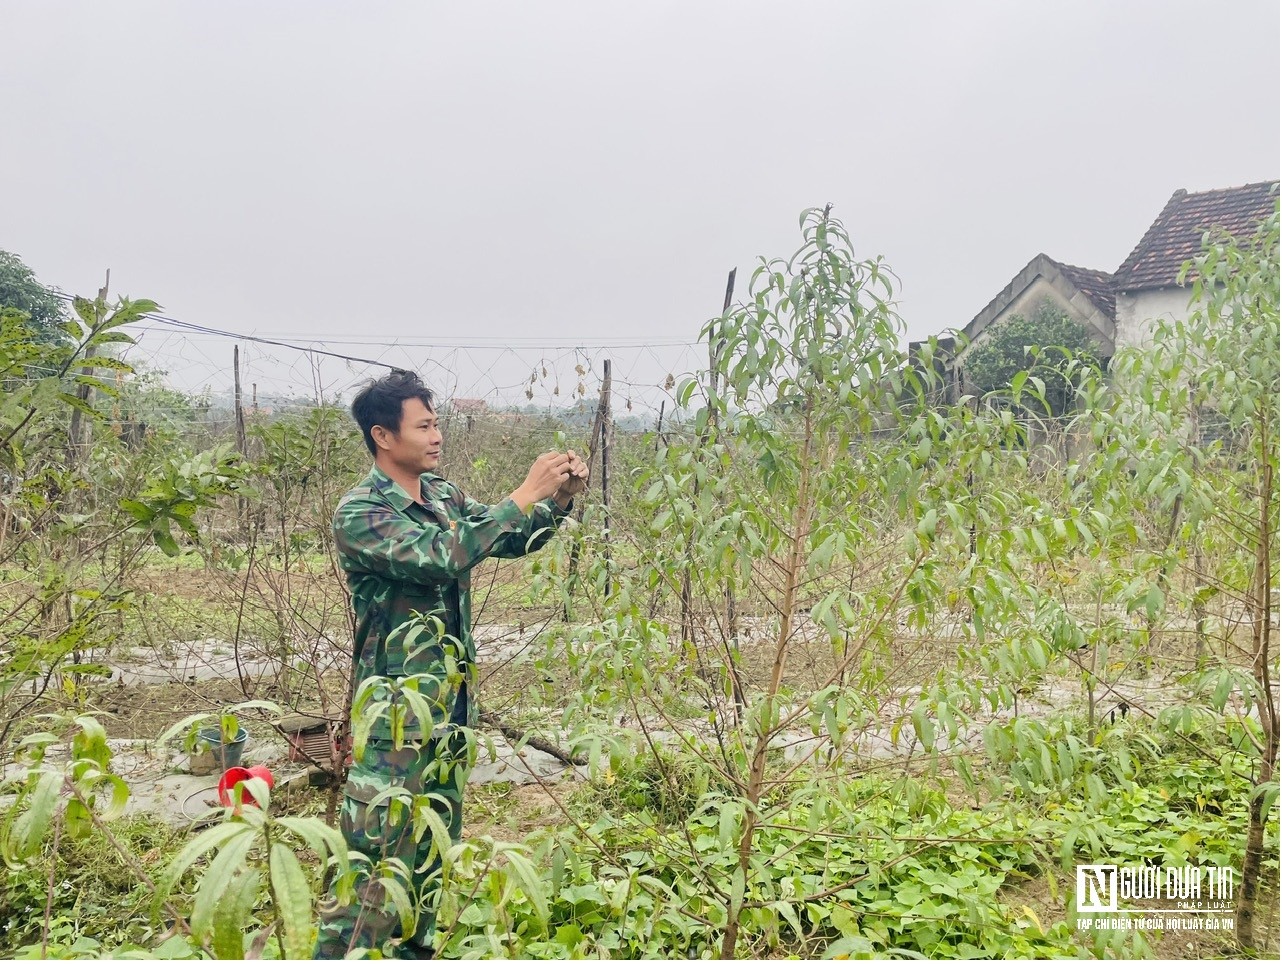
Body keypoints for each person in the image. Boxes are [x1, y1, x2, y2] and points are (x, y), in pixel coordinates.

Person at [315, 370, 587, 958]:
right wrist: (524, 492)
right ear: (384, 436)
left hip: (450, 711)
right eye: (425, 425)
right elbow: (445, 555)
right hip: (395, 716)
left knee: (429, 856)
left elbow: (506, 539)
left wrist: (559, 501)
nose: (437, 435)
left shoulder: (441, 496)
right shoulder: (361, 513)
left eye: (437, 423)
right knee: (372, 863)